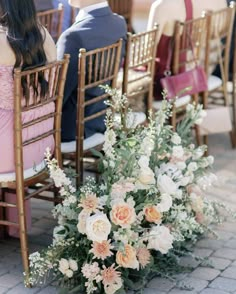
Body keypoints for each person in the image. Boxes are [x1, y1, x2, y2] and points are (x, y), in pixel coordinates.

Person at [0, 0, 56, 236]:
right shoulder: (44, 35)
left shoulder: (1, 40)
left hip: (10, 152)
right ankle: (12, 225)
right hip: (40, 144)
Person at [57, 0, 127, 142]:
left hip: (70, 129)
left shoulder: (73, 36)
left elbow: (57, 96)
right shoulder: (120, 23)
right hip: (102, 118)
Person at [147, 0, 228, 100]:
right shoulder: (191, 4)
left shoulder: (162, 5)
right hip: (189, 71)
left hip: (163, 80)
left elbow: (148, 51)